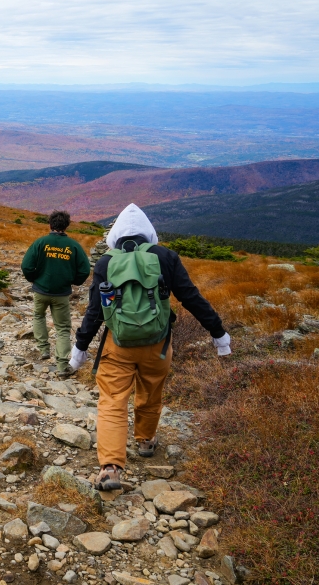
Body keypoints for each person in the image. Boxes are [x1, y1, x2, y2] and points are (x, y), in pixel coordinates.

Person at [69, 203, 231, 491]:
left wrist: (79, 349)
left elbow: (95, 310)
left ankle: (110, 467)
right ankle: (145, 440)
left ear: (116, 234)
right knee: (150, 390)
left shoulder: (106, 262)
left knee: (113, 400)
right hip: (158, 345)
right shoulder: (166, 257)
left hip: (117, 345)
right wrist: (219, 334)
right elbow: (192, 298)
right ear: (149, 232)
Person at [21, 210, 91, 378]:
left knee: (38, 316)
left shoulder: (41, 242)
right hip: (62, 294)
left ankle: (44, 349)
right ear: (66, 226)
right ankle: (61, 365)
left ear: (50, 225)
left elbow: (26, 266)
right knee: (63, 328)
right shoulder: (74, 246)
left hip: (40, 290)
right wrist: (73, 281)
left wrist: (34, 279)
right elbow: (85, 270)